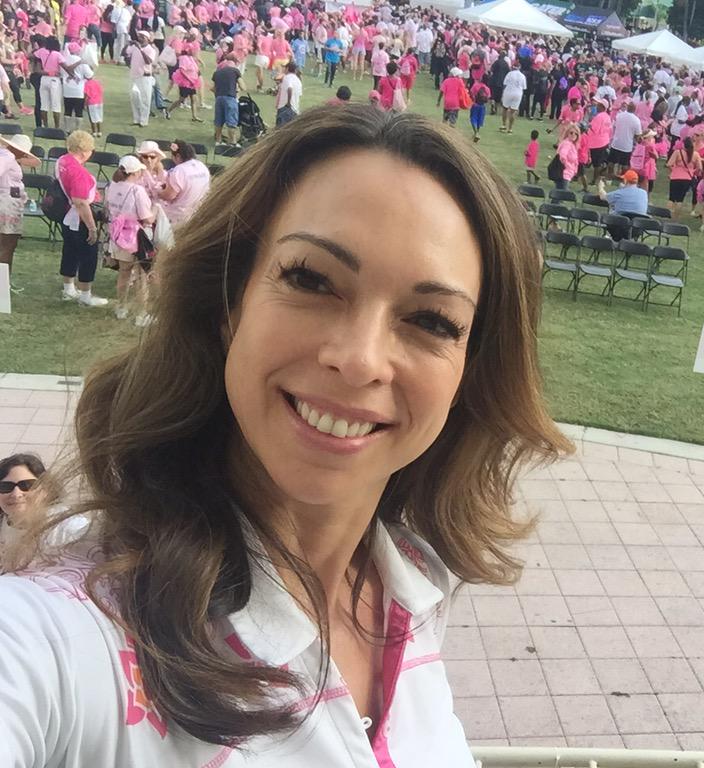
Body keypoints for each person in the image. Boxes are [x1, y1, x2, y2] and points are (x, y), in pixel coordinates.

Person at [0, 104, 570, 765]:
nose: (359, 359)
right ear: (228, 304)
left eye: (433, 321)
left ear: (470, 373)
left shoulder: (413, 583)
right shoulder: (66, 634)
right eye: (311, 279)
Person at [105, 154, 156, 326]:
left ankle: (121, 307)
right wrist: (156, 210)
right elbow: (147, 218)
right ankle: (142, 315)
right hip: (137, 236)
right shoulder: (137, 191)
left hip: (119, 235)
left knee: (124, 273)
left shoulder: (112, 187)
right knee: (142, 276)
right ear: (135, 173)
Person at [57, 130, 107, 307]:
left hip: (67, 216)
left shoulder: (62, 160)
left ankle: (68, 287)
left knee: (70, 250)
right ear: (84, 151)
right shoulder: (79, 172)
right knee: (88, 255)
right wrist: (92, 227)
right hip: (79, 218)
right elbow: (81, 203)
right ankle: (85, 295)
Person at [0, 134, 42, 282]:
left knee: (7, 244)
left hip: (10, 202)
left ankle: (4, 282)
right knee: (7, 244)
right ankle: (3, 284)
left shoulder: (7, 156)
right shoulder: (7, 156)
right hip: (7, 204)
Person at [0, 453, 46, 572]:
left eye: (26, 485)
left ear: (45, 489)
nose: (16, 494)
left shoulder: (65, 530)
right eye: (5, 487)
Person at [159, 139, 211, 228]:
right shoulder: (202, 166)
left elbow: (169, 196)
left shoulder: (179, 171)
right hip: (197, 212)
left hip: (178, 216)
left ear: (178, 156)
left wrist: (158, 192)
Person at [597, 169, 648, 241]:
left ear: (625, 181)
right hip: (638, 228)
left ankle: (611, 237)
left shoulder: (620, 193)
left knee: (610, 214)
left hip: (618, 226)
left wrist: (600, 187)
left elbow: (603, 197)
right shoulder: (644, 193)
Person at [666, 136, 702, 219]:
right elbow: (699, 168)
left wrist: (673, 169)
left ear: (683, 145)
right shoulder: (695, 154)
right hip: (687, 178)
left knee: (671, 198)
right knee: (680, 199)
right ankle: (676, 216)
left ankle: (668, 214)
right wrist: (693, 172)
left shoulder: (678, 152)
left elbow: (669, 164)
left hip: (675, 176)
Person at [127, 30, 157, 127]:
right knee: (134, 98)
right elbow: (124, 53)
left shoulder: (151, 49)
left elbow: (148, 61)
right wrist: (128, 44)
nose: (140, 38)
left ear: (147, 39)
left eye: (142, 37)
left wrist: (140, 49)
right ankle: (136, 119)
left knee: (145, 100)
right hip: (134, 76)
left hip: (145, 77)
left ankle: (144, 121)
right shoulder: (135, 47)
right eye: (139, 36)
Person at [213, 53, 245, 145]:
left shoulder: (217, 72)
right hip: (230, 97)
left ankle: (218, 141)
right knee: (231, 121)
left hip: (219, 98)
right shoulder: (235, 71)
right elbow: (243, 86)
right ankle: (233, 142)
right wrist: (237, 89)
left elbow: (213, 88)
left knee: (218, 121)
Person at [608, 101, 642, 175]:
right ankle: (623, 178)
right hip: (627, 145)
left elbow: (614, 126)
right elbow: (637, 135)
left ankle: (609, 177)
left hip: (616, 143)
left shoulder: (619, 115)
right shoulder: (636, 120)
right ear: (635, 109)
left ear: (628, 107)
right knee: (625, 164)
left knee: (611, 161)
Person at [500, 60, 526, 134]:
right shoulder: (522, 76)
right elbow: (524, 87)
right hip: (518, 94)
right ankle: (510, 128)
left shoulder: (509, 74)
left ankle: (503, 125)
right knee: (513, 111)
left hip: (508, 92)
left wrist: (503, 93)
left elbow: (505, 84)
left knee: (505, 108)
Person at [275, 61, 302, 127]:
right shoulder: (298, 81)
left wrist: (288, 102)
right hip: (295, 109)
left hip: (285, 108)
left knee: (280, 130)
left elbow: (290, 88)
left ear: (287, 68)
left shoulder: (287, 78)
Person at [554, 123, 579, 192]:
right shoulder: (567, 144)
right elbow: (562, 155)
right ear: (567, 133)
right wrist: (568, 166)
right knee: (562, 194)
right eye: (571, 133)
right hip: (564, 174)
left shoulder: (572, 144)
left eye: (576, 133)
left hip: (567, 173)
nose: (573, 135)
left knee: (559, 195)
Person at [84, 69, 103, 136]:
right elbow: (101, 91)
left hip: (91, 102)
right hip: (99, 101)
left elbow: (86, 94)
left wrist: (84, 103)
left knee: (92, 118)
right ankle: (99, 131)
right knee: (99, 117)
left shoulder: (87, 84)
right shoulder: (97, 82)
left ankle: (94, 132)